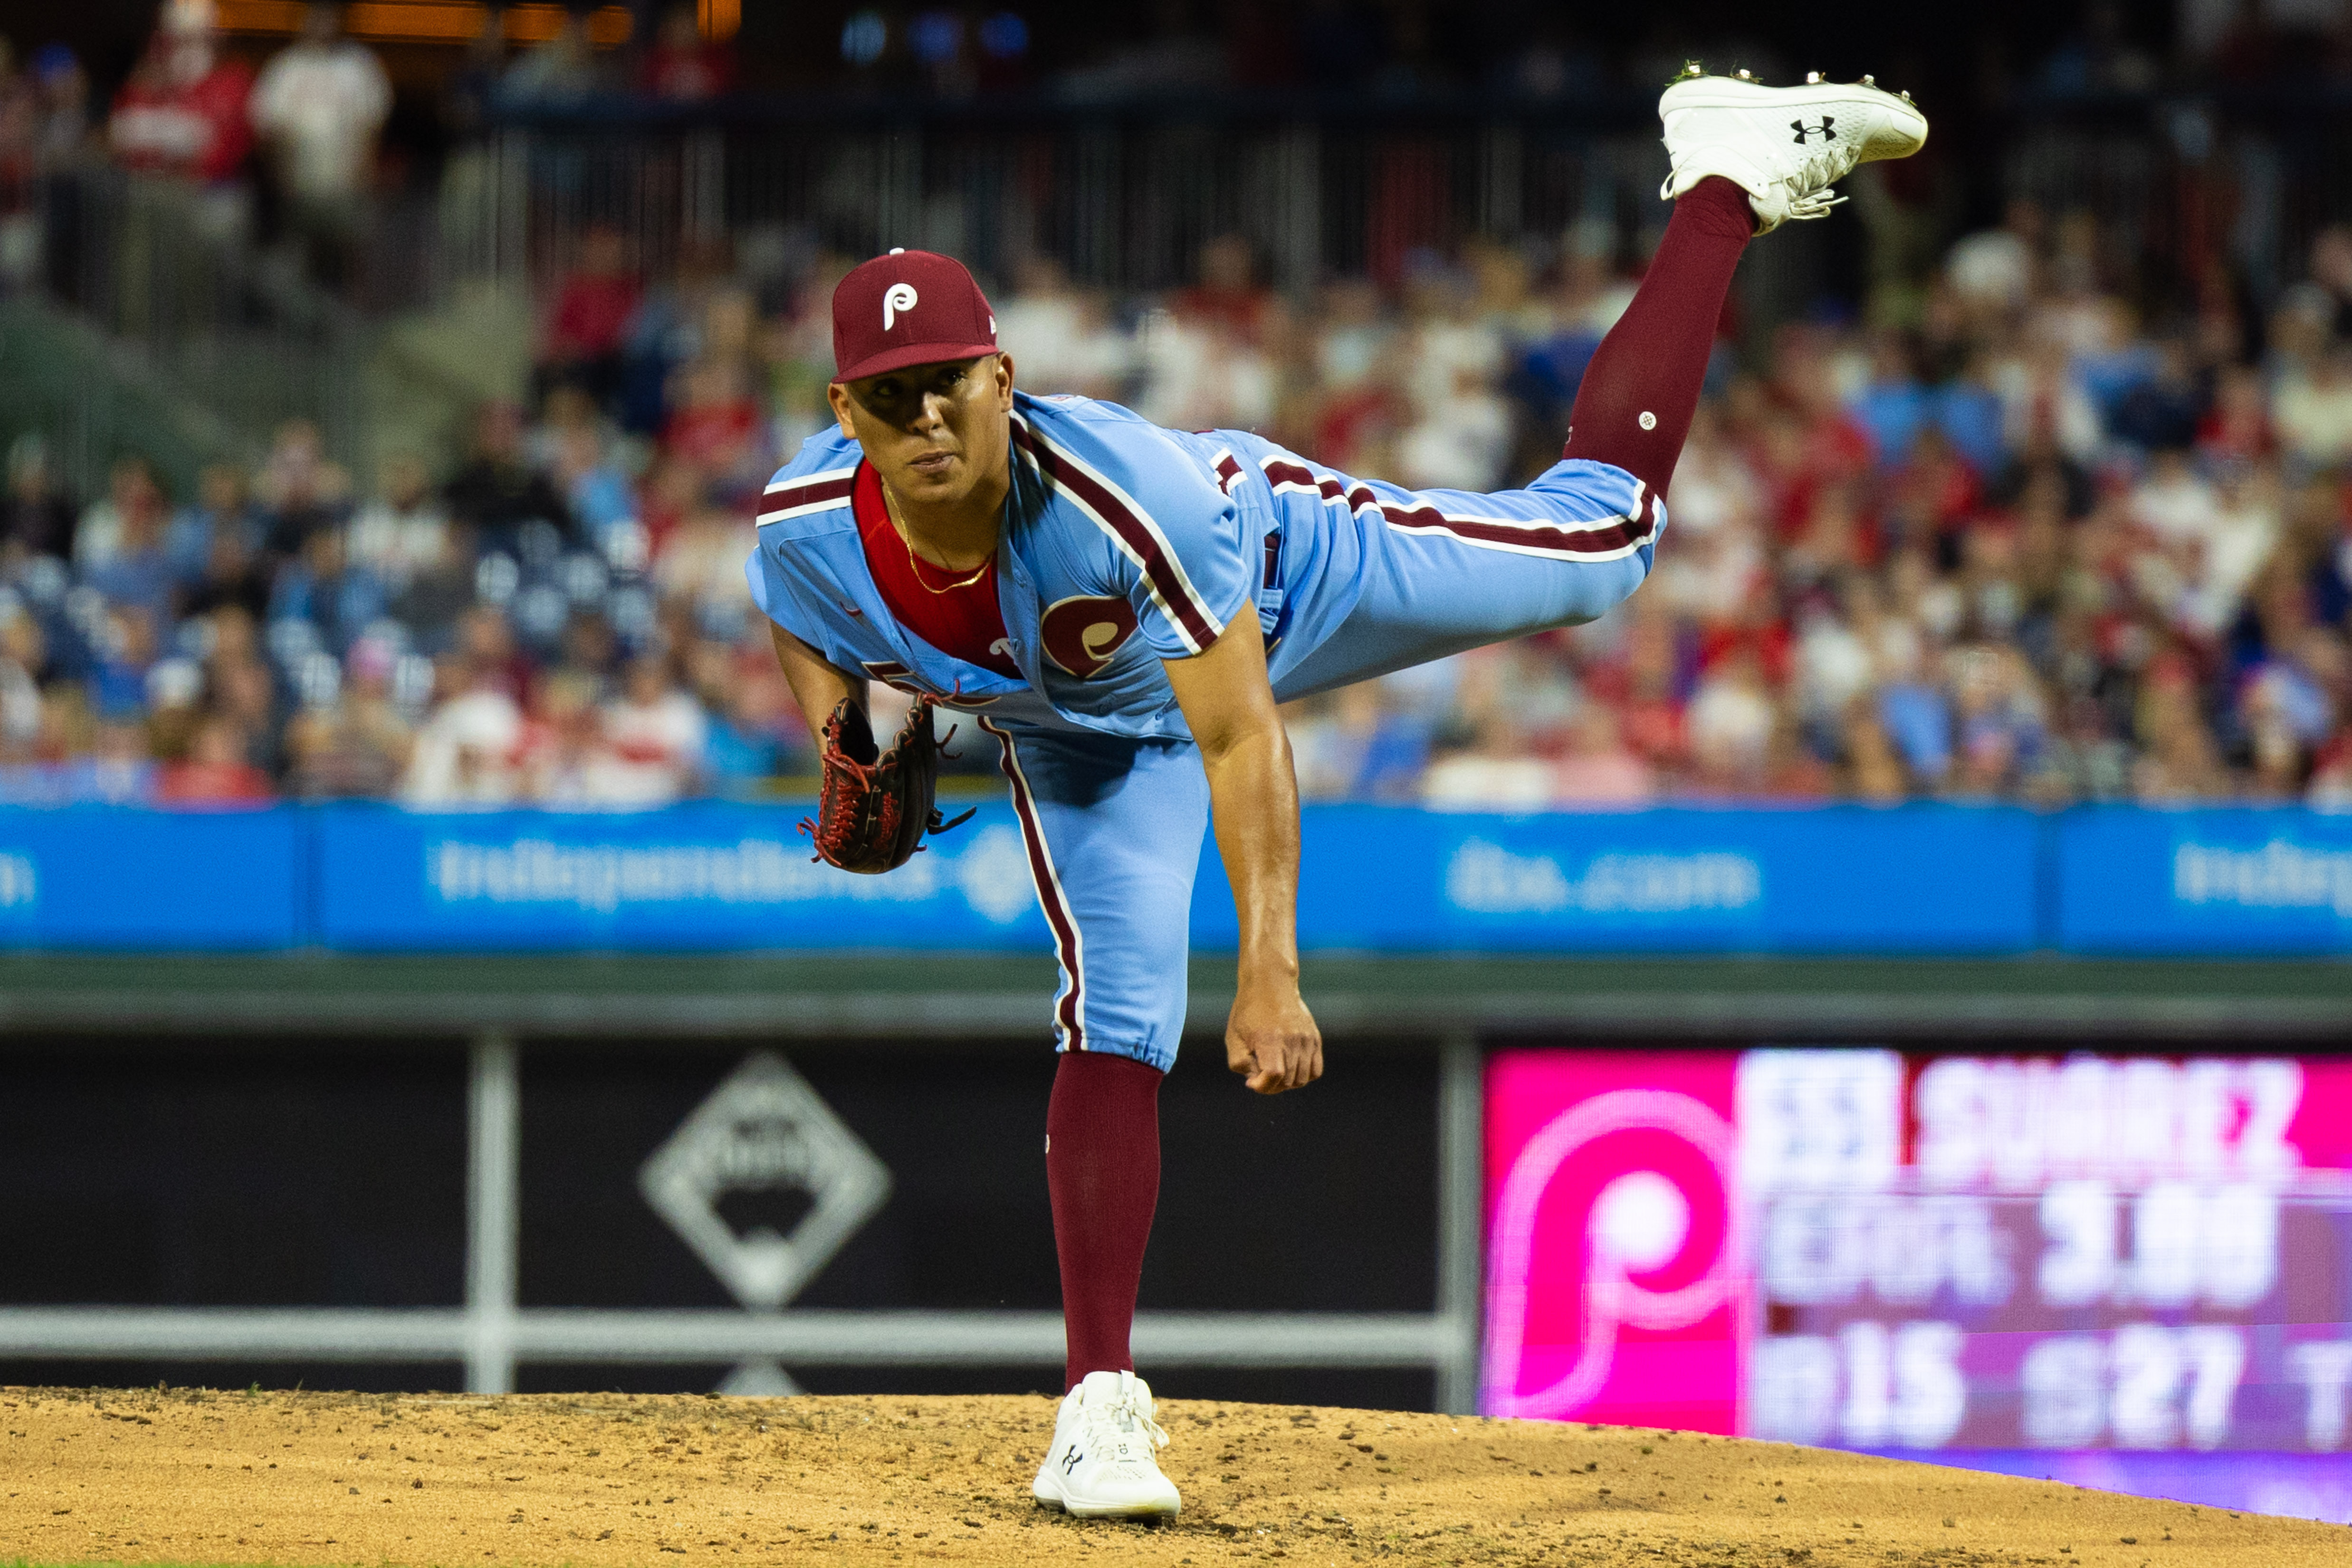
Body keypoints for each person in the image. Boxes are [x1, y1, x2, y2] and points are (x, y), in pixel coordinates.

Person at [745, 68, 1926, 1520]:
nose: (925, 415)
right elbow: (802, 621)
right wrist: (839, 744)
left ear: (1004, 379)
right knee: (1111, 1006)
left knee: (1604, 544)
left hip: (1267, 585)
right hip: (1077, 730)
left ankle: (1723, 183)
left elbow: (1242, 737)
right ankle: (1098, 1411)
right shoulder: (802, 528)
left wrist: (1269, 970)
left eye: (949, 382)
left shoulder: (1128, 495)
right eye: (889, 395)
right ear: (845, 411)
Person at [248, 1, 390, 292]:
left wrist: (363, 179)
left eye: (330, 16)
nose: (323, 23)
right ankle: (298, 334)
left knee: (345, 265)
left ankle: (347, 330)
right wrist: (281, 182)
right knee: (299, 267)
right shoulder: (285, 67)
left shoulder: (359, 65)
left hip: (344, 188)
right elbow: (270, 132)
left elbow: (371, 129)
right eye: (316, 16)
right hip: (298, 190)